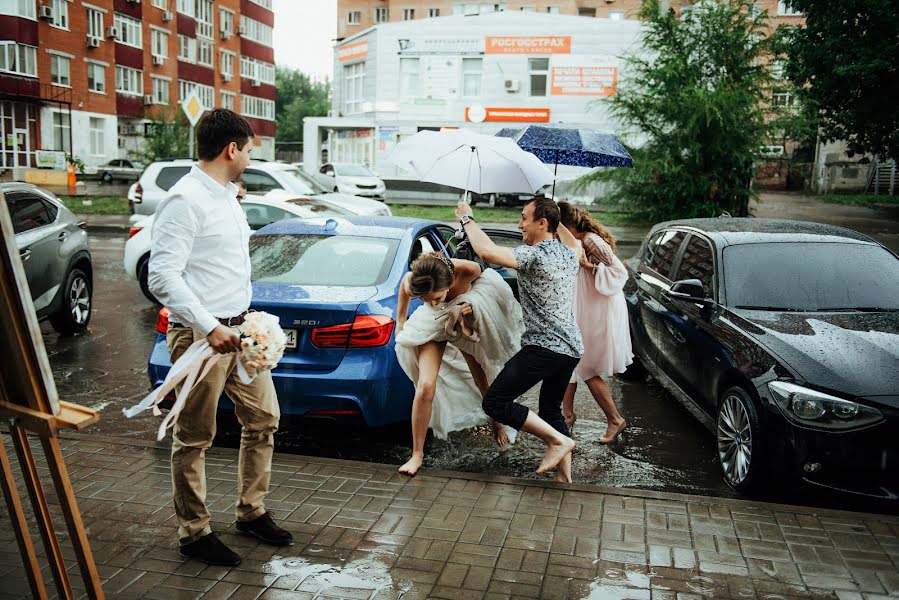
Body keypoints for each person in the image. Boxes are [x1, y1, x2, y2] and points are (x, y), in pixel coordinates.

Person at [148, 109, 292, 567]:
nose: (250, 157)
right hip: (200, 335)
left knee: (265, 417)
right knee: (195, 435)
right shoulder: (184, 200)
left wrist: (240, 322)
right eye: (249, 150)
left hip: (240, 332)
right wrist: (210, 326)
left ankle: (251, 512)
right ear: (232, 149)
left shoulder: (226, 194)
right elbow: (162, 276)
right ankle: (194, 532)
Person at [455, 196, 583, 483]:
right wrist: (558, 212)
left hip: (544, 347)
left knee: (495, 403)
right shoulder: (569, 253)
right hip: (572, 347)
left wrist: (466, 217)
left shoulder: (532, 256)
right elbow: (572, 242)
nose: (519, 224)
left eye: (524, 218)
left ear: (542, 222)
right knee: (551, 409)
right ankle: (565, 479)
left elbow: (486, 251)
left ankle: (558, 442)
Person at [394, 252, 523, 476]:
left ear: (450, 282)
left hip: (462, 317)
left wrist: (469, 308)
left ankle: (497, 421)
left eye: (437, 297)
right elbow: (403, 306)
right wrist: (401, 329)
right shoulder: (414, 280)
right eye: (426, 300)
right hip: (433, 322)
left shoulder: (469, 270)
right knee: (425, 386)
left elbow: (489, 290)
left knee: (481, 376)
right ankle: (417, 455)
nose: (433, 302)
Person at [558, 202, 633, 444]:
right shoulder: (575, 240)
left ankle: (614, 419)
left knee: (583, 363)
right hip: (584, 304)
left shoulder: (591, 241)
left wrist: (588, 266)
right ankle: (566, 416)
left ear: (567, 226)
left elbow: (619, 272)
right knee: (570, 359)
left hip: (597, 308)